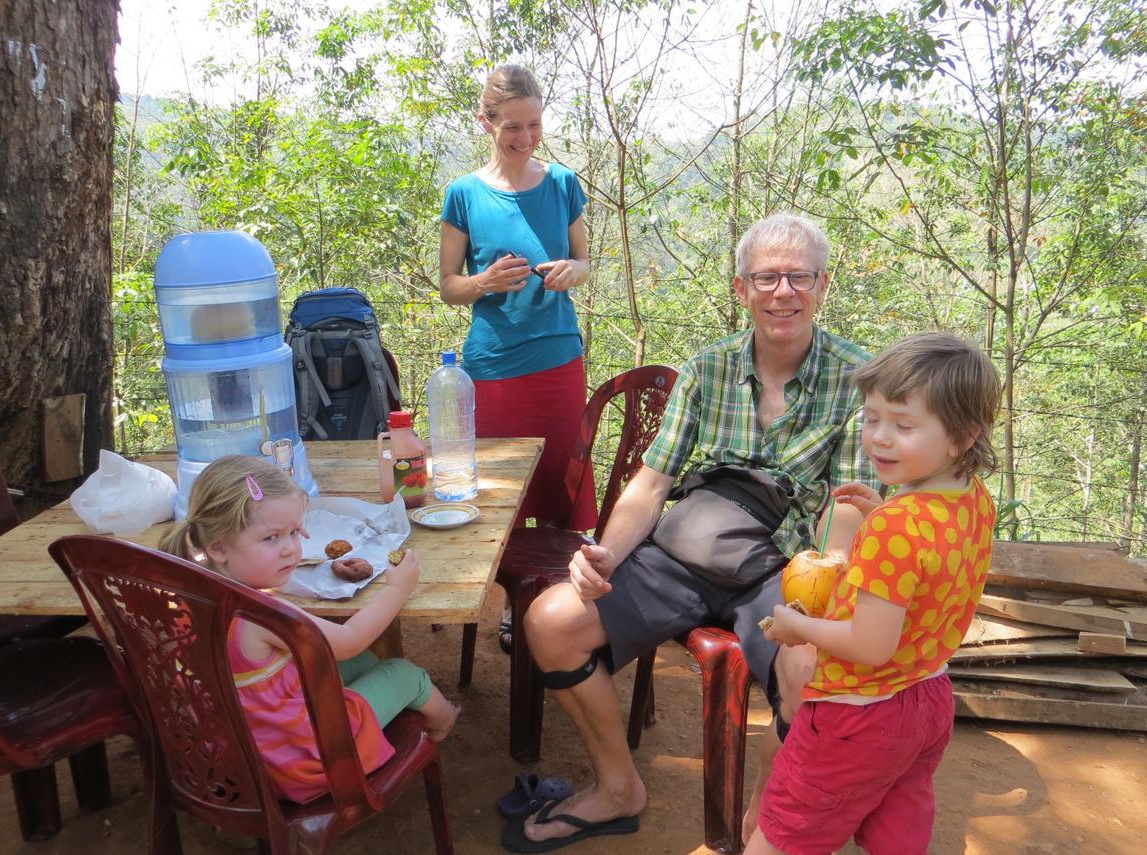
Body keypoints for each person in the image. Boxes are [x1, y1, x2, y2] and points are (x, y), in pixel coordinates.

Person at [509, 213, 880, 852]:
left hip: (781, 564)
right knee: (550, 621)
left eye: (798, 277)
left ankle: (767, 824)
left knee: (809, 669)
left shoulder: (858, 377)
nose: (782, 292)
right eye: (766, 278)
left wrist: (830, 575)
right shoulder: (708, 368)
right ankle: (618, 788)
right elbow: (653, 483)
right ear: (741, 290)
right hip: (683, 551)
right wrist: (603, 554)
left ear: (822, 286)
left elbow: (847, 503)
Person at [747, 332, 1000, 855]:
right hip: (926, 698)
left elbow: (868, 644)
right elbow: (932, 564)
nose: (879, 438)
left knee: (786, 835)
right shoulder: (971, 498)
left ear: (964, 435)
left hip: (856, 713)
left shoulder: (899, 528)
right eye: (871, 418)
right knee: (896, 833)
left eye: (903, 425)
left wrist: (796, 629)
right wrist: (880, 515)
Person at [158, 455, 458, 803]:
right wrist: (397, 589)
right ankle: (444, 723)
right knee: (405, 674)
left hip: (242, 744)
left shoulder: (185, 592)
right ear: (218, 547)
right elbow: (347, 641)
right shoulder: (258, 612)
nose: (290, 549)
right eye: (271, 538)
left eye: (294, 533)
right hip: (305, 758)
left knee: (363, 666)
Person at [439, 64, 597, 576]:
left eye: (534, 125)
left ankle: (555, 593)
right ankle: (508, 601)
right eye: (512, 126)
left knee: (559, 488)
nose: (525, 138)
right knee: (503, 494)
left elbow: (584, 261)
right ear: (485, 124)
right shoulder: (464, 193)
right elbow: (449, 287)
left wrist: (571, 271)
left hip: (559, 360)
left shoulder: (563, 183)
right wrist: (483, 282)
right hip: (496, 367)